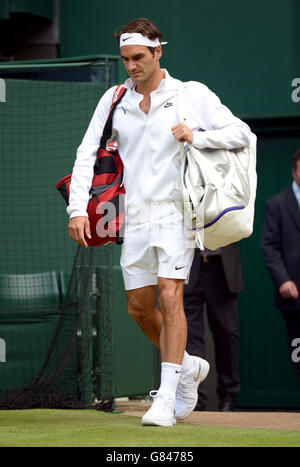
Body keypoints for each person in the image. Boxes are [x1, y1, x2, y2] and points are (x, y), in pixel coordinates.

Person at [67, 17, 252, 426]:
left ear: (157, 52)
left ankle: (167, 396)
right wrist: (77, 209)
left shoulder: (191, 94)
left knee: (171, 296)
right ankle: (188, 368)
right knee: (139, 308)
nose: (132, 66)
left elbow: (241, 133)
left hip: (176, 213)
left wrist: (197, 136)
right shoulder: (115, 99)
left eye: (139, 57)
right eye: (126, 59)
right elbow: (86, 152)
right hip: (133, 217)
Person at [184, 243, 244, 412]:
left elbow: (246, 219)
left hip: (222, 268)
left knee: (226, 334)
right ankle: (195, 398)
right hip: (188, 265)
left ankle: (228, 397)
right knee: (190, 337)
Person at [261, 149, 300, 384]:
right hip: (294, 296)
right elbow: (269, 246)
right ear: (294, 172)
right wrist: (283, 280)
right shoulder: (276, 204)